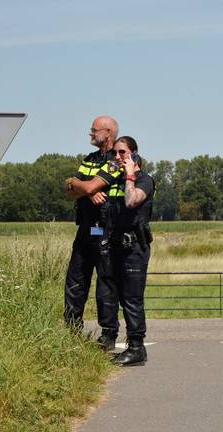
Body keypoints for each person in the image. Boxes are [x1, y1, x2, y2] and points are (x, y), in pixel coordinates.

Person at [62, 115, 122, 351]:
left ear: (108, 133)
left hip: (106, 229)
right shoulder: (89, 159)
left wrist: (83, 186)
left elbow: (84, 185)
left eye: (94, 130)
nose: (90, 133)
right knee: (75, 279)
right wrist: (84, 190)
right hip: (85, 227)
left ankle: (108, 334)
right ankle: (71, 329)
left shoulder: (117, 159)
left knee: (106, 283)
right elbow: (69, 188)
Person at [103, 136, 154, 366]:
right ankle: (118, 341)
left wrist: (130, 174)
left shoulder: (144, 180)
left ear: (134, 153)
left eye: (122, 152)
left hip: (134, 247)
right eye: (115, 153)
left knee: (132, 299)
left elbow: (132, 201)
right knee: (117, 297)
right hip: (115, 246)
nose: (117, 157)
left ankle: (136, 348)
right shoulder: (117, 180)